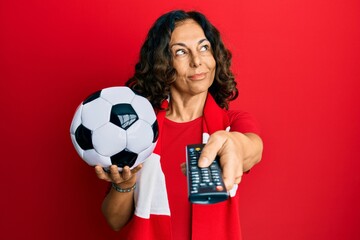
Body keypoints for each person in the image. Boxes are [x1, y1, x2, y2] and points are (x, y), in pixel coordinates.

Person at [94, 10, 263, 240]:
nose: (197, 61)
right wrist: (126, 184)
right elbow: (115, 221)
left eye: (204, 48)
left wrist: (232, 143)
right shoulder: (140, 130)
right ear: (163, 63)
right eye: (181, 52)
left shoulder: (231, 124)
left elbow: (252, 149)